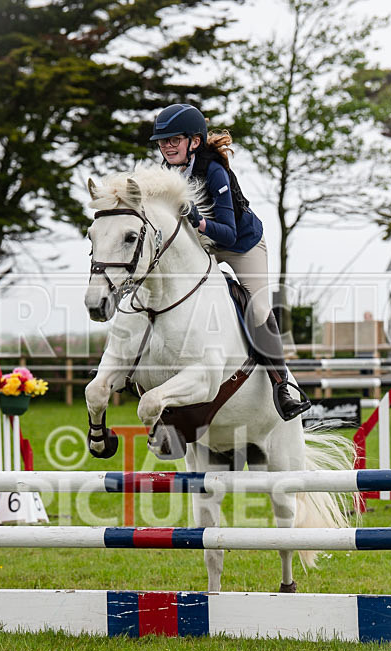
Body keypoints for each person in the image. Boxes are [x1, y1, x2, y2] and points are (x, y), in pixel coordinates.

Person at [150, 103, 311, 421]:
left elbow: (227, 232)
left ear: (194, 142)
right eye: (163, 141)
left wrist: (198, 222)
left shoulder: (215, 171)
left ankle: (282, 387)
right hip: (203, 246)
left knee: (258, 310)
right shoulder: (167, 173)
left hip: (241, 244)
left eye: (174, 140)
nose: (167, 146)